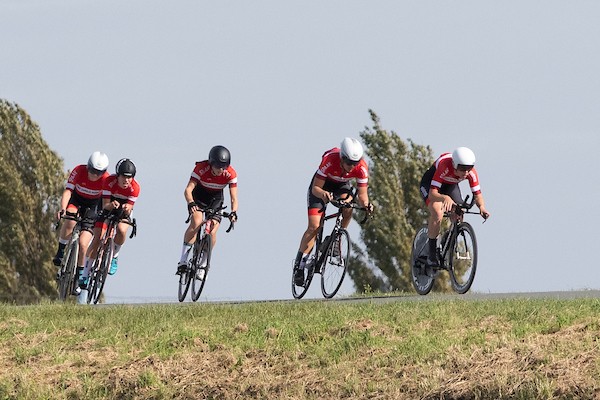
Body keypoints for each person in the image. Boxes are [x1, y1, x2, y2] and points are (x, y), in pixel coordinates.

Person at [293, 137, 373, 286]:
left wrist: (367, 205)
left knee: (348, 206)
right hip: (321, 187)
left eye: (354, 163)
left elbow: (362, 196)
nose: (351, 166)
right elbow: (316, 188)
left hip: (341, 186)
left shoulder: (361, 168)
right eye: (348, 162)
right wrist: (323, 194)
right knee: (314, 226)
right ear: (342, 157)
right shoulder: (330, 160)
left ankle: (337, 238)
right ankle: (300, 266)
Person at [419, 147, 490, 267]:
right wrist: (445, 198)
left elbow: (478, 195)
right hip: (430, 185)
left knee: (459, 212)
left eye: (469, 168)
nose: (466, 172)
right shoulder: (445, 166)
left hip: (450, 186)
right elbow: (432, 194)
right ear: (454, 164)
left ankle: (447, 240)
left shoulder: (471, 173)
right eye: (462, 169)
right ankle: (431, 253)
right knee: (437, 212)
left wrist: (482, 208)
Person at [176, 145, 238, 277]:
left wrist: (234, 212)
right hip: (199, 196)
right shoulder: (201, 168)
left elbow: (234, 198)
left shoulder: (231, 174)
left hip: (216, 199)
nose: (221, 170)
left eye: (224, 167)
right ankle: (183, 260)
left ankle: (203, 265)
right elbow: (188, 190)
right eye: (217, 167)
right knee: (197, 222)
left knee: (214, 229)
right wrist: (191, 203)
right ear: (211, 163)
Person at [53, 151, 109, 293]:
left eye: (99, 173)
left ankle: (78, 278)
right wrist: (62, 208)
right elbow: (67, 192)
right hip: (77, 200)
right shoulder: (78, 170)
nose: (95, 175)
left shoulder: (106, 180)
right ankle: (61, 250)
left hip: (93, 206)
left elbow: (105, 202)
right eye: (92, 171)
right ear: (88, 167)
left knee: (84, 243)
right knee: (70, 219)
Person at [80, 158, 140, 289]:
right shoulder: (109, 182)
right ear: (117, 175)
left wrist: (125, 208)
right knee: (98, 238)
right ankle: (85, 273)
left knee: (122, 229)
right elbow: (105, 204)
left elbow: (129, 208)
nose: (126, 180)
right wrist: (111, 205)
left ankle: (115, 256)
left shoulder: (135, 188)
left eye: (130, 178)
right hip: (107, 208)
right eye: (124, 177)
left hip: (123, 211)